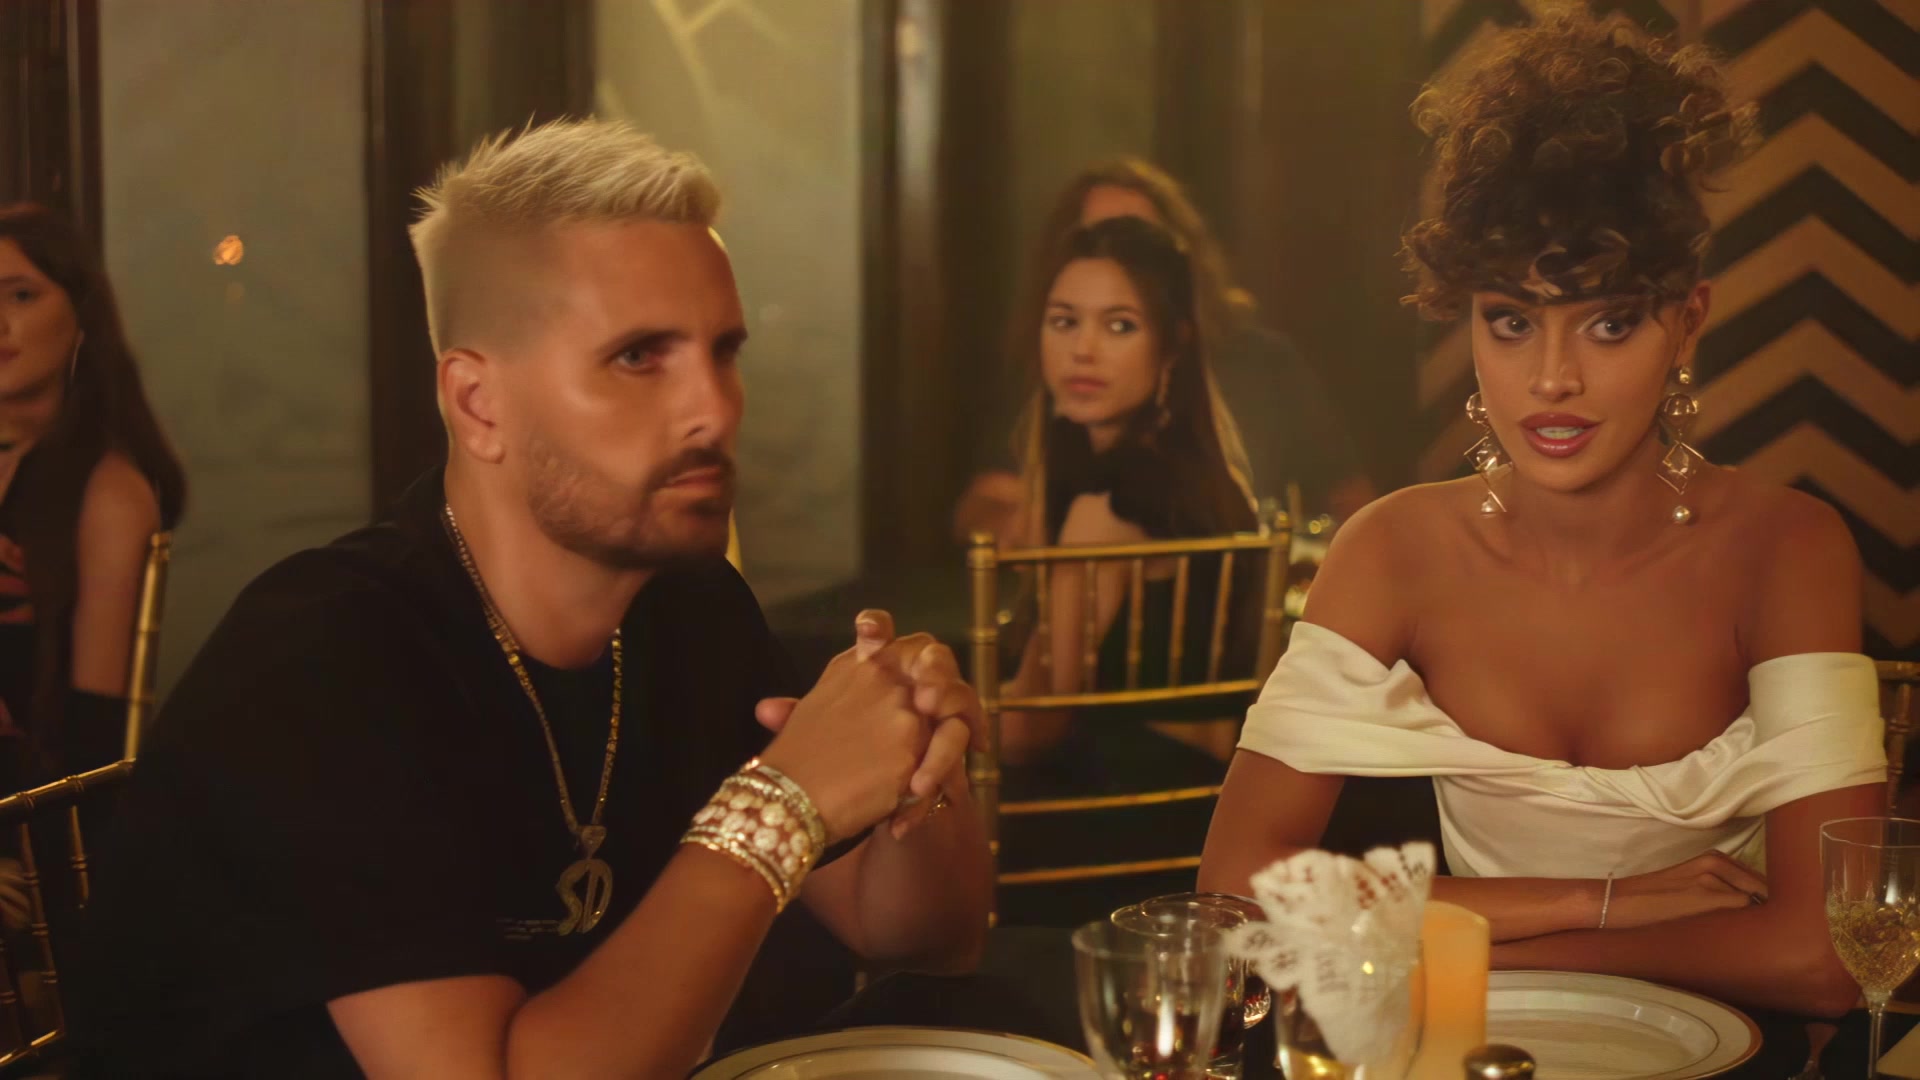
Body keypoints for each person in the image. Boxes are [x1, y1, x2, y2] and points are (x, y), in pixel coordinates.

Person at [75, 119, 992, 1077]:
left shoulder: (686, 605)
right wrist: (782, 807)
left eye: (723, 351)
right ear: (479, 405)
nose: (715, 409)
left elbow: (919, 939)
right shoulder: (323, 656)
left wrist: (913, 756)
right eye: (639, 357)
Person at [1199, 9, 1875, 1023]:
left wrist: (1479, 950)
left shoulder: (1787, 547)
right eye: (1511, 321)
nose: (1552, 379)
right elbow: (1238, 889)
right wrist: (1602, 902)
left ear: (1688, 321)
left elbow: (1827, 956)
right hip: (1478, 1052)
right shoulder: (1393, 550)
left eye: (1609, 323)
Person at [989, 215, 1261, 927]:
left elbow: (1031, 729)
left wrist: (935, 723)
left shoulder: (1111, 504)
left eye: (1119, 326)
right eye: (1064, 321)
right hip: (1202, 816)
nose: (1082, 349)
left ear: (1172, 346)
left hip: (1116, 837)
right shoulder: (1205, 480)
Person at [953, 158, 1372, 544]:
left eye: (1121, 326)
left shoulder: (1261, 365)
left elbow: (1353, 500)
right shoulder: (1058, 369)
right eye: (1096, 241)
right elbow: (983, 505)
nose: (1084, 349)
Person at [0, 204, 185, 792]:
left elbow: (95, 743)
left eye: (20, 295)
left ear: (81, 315)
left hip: (32, 816)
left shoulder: (109, 494)